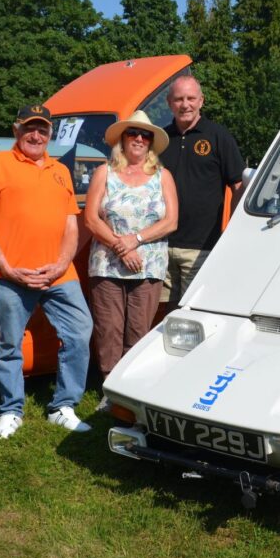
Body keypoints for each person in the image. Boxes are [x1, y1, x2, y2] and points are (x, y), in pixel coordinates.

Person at [0, 104, 93, 439]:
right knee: (10, 344)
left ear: (50, 134)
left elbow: (72, 226)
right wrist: (8, 270)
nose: (36, 135)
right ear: (16, 130)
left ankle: (63, 406)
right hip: (12, 276)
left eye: (43, 129)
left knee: (80, 333)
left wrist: (61, 264)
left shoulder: (61, 170)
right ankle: (11, 411)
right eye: (29, 128)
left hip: (59, 274)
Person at [85, 111, 178, 410]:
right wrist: (120, 246)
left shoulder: (163, 176)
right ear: (122, 139)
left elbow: (171, 221)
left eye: (145, 135)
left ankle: (133, 389)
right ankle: (110, 391)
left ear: (151, 142)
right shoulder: (104, 173)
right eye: (132, 133)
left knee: (139, 330)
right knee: (109, 328)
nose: (138, 139)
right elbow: (90, 219)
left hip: (148, 266)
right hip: (107, 264)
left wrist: (135, 240)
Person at [160, 75, 245, 309]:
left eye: (190, 98)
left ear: (201, 101)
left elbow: (238, 185)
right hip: (160, 244)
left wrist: (233, 229)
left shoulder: (219, 137)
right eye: (178, 99)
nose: (184, 104)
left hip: (201, 246)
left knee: (190, 312)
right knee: (157, 313)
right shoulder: (161, 139)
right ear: (169, 102)